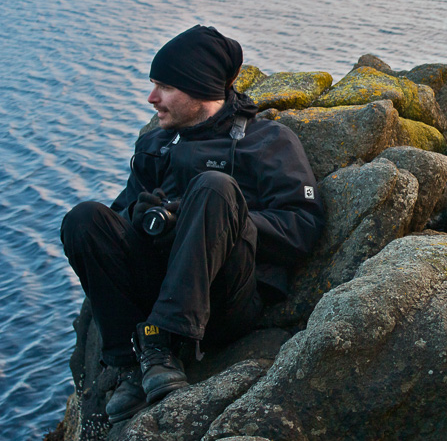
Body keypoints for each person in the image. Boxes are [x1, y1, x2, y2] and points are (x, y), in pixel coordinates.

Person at [61, 25, 325, 423]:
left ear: (200, 89)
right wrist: (137, 217)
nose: (152, 98)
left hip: (226, 297)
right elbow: (113, 226)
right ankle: (129, 363)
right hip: (156, 282)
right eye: (154, 85)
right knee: (84, 218)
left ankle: (163, 343)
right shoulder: (156, 144)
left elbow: (302, 225)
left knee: (214, 187)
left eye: (165, 87)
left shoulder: (268, 141)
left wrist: (218, 218)